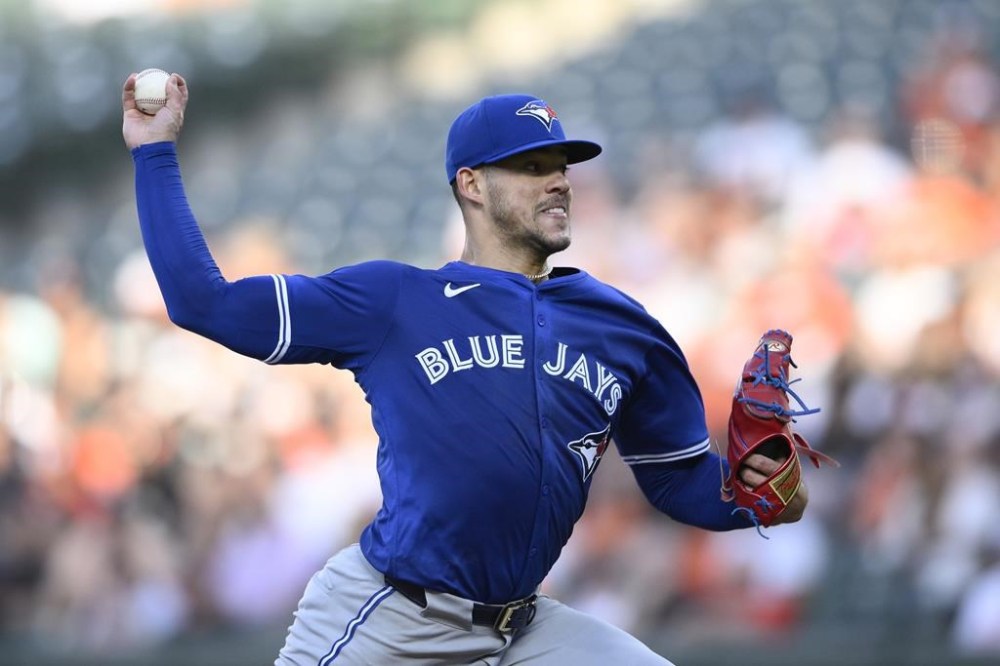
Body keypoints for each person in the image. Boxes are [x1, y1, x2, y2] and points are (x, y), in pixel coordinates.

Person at [121, 71, 809, 666]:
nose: (558, 181)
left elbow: (680, 481)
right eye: (532, 165)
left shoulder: (621, 325)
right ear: (472, 184)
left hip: (524, 627)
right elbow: (202, 302)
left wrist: (760, 497)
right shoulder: (393, 300)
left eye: (561, 165)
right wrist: (154, 154)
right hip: (391, 619)